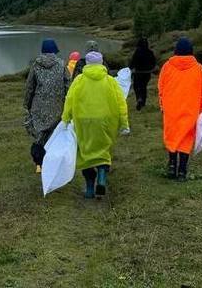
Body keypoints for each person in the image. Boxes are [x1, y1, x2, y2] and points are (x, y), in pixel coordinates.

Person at [61, 51, 130, 199]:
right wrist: (124, 124)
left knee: (85, 153)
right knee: (103, 150)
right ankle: (102, 177)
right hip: (106, 121)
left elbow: (69, 99)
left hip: (83, 121)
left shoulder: (79, 80)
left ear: (87, 64)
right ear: (101, 63)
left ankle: (90, 189)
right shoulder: (110, 81)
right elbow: (121, 103)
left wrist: (65, 119)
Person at [158, 38, 202, 181]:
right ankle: (182, 171)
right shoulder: (198, 68)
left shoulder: (167, 66)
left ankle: (172, 166)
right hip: (191, 110)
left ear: (176, 51)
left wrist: (162, 105)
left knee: (172, 136)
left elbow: (161, 88)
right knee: (186, 139)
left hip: (170, 110)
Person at [24, 39, 69, 174]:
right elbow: (68, 84)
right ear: (55, 50)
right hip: (57, 107)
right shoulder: (61, 65)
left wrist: (27, 104)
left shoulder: (35, 65)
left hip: (38, 107)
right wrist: (68, 104)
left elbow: (30, 87)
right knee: (53, 135)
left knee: (40, 135)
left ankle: (39, 163)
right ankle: (52, 162)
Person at [129, 38, 157, 111]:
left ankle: (139, 98)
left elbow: (133, 62)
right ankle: (143, 102)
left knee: (136, 86)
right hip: (147, 73)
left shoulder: (137, 52)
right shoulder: (150, 52)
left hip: (138, 72)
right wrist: (151, 68)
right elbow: (153, 62)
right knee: (143, 87)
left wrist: (130, 68)